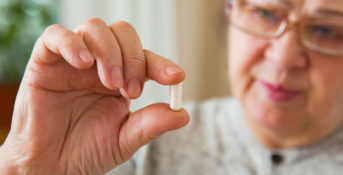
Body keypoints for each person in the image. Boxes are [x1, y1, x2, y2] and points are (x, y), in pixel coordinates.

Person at [1, 0, 343, 174]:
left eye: (328, 30)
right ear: (229, 15)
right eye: (266, 13)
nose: (283, 58)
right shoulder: (137, 150)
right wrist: (28, 167)